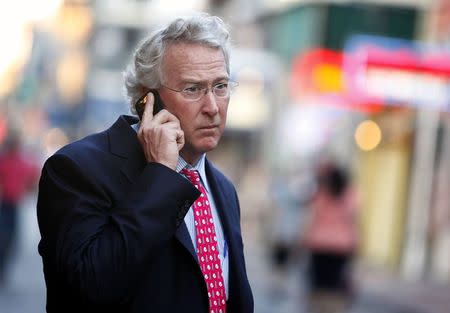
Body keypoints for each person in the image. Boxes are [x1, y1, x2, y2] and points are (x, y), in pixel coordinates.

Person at [37, 13, 253, 313]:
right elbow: (89, 289)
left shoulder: (224, 189)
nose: (213, 107)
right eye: (192, 89)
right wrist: (160, 176)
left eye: (220, 86)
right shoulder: (75, 169)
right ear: (146, 100)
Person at [301, 161, 359, 313]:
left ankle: (318, 309)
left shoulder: (320, 194)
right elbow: (354, 220)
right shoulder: (351, 195)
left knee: (319, 284)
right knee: (336, 284)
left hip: (319, 244)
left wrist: (302, 239)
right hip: (342, 245)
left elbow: (311, 218)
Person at [0, 131, 38, 286]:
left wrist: (29, 189)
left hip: (13, 204)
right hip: (5, 204)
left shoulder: (21, 161)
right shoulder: (4, 160)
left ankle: (3, 271)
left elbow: (33, 177)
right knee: (6, 239)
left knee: (10, 240)